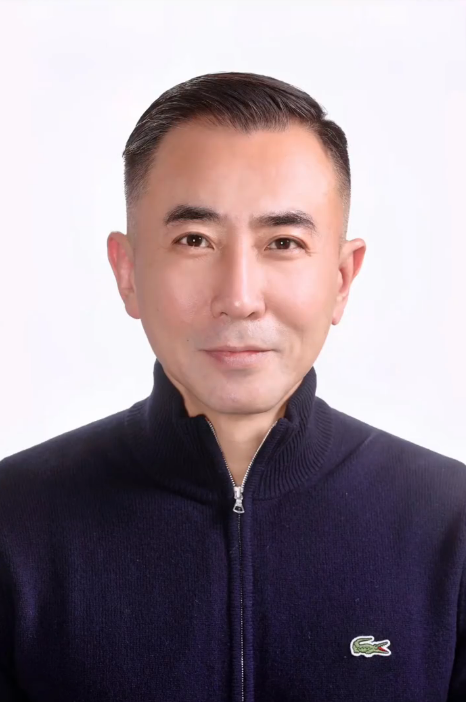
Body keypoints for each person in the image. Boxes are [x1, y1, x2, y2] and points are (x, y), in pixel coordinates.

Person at [0, 71, 465, 702]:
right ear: (128, 272)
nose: (240, 297)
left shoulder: (450, 524)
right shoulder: (15, 523)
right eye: (195, 240)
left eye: (283, 242)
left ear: (342, 278)